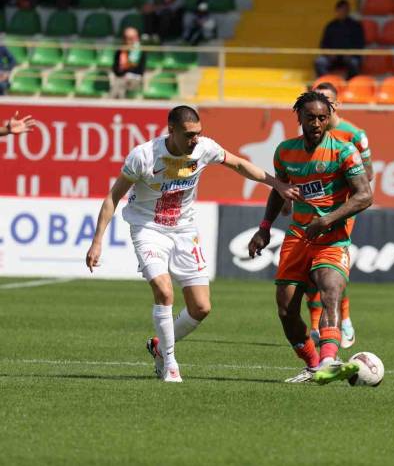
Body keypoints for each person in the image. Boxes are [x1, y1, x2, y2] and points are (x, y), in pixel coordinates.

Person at [85, 106, 301, 383]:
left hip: (185, 230)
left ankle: (159, 347)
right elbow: (113, 197)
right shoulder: (143, 156)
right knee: (163, 291)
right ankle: (170, 363)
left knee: (201, 307)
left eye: (198, 133)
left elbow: (239, 164)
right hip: (149, 229)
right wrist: (97, 242)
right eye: (189, 135)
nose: (195, 140)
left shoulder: (204, 149)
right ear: (171, 130)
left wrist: (278, 185)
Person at [247, 91, 373, 384]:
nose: (316, 123)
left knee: (330, 291)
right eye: (310, 117)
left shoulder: (344, 152)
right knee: (285, 309)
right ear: (299, 118)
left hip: (332, 238)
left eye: (322, 118)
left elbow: (365, 195)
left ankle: (330, 359)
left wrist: (327, 219)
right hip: (297, 238)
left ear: (329, 119)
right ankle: (314, 365)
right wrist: (265, 228)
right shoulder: (284, 151)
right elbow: (279, 190)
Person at [302, 81, 374, 349]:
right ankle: (315, 325)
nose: (321, 110)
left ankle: (343, 319)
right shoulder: (309, 133)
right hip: (308, 207)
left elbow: (368, 175)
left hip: (340, 210)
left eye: (327, 102)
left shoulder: (354, 134)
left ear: (336, 105)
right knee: (308, 272)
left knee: (330, 267)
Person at [314, 0, 365, 80]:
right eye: (340, 10)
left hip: (349, 57)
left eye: (345, 10)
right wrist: (329, 53)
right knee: (319, 62)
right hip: (332, 57)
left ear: (348, 11)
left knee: (354, 63)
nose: (342, 12)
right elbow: (323, 44)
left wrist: (351, 53)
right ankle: (326, 82)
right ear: (336, 11)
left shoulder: (355, 26)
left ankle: (349, 85)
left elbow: (360, 44)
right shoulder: (330, 26)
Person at [110, 27, 147, 99]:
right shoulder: (120, 51)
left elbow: (140, 70)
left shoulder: (140, 51)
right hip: (122, 78)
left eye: (133, 38)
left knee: (120, 84)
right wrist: (121, 69)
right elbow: (115, 68)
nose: (131, 40)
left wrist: (126, 68)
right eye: (128, 38)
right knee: (119, 83)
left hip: (135, 78)